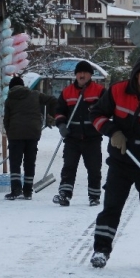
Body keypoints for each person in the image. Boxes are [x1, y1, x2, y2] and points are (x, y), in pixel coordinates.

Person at [88, 52, 140, 275]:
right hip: (121, 162)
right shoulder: (117, 91)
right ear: (136, 74)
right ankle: (101, 250)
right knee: (112, 207)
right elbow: (96, 114)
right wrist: (112, 131)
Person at [53, 60, 105, 207]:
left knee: (94, 168)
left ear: (90, 75)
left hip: (92, 138)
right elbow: (59, 112)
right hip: (72, 138)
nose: (82, 75)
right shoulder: (67, 92)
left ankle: (94, 196)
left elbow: (107, 111)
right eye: (79, 73)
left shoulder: (99, 91)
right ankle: (65, 194)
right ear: (76, 75)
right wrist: (61, 125)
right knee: (69, 166)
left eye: (85, 73)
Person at [3, 75, 57, 200]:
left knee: (15, 162)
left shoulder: (10, 99)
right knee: (29, 162)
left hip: (16, 134)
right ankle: (27, 191)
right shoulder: (35, 94)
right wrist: (52, 115)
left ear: (11, 87)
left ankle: (16, 190)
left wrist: (10, 133)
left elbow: (7, 119)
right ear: (23, 86)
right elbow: (53, 100)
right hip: (33, 133)